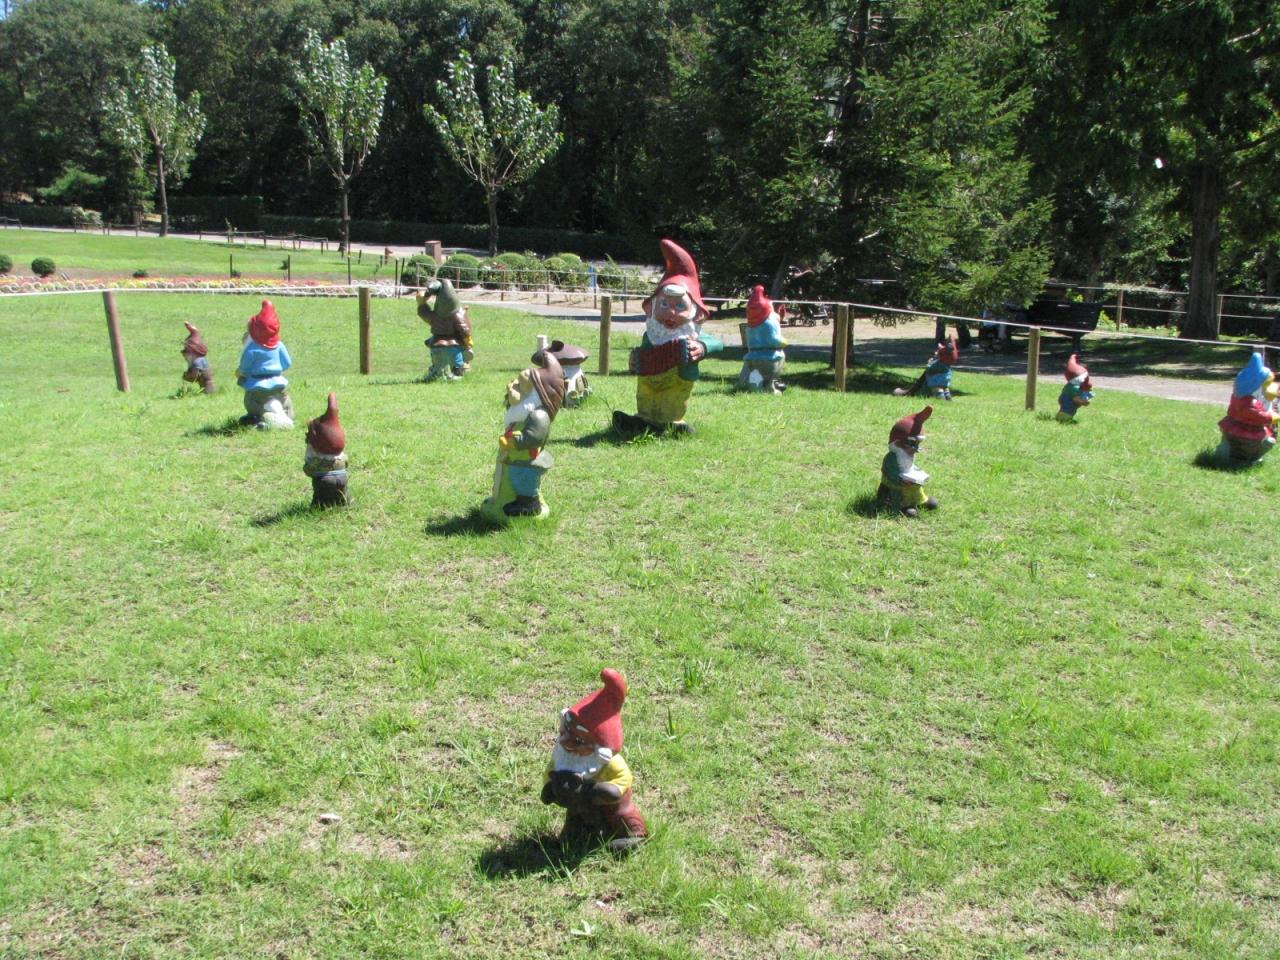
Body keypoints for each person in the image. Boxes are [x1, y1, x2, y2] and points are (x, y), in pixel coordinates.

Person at [612, 239, 723, 436]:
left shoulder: (691, 335)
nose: (671, 313)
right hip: (649, 379)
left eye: (680, 306)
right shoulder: (652, 335)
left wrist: (702, 347)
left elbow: (717, 343)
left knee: (671, 402)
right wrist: (634, 361)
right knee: (646, 399)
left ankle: (671, 424)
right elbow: (642, 353)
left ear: (696, 312)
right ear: (652, 307)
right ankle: (643, 421)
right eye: (664, 305)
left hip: (679, 377)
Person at [541, 668, 647, 852]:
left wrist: (609, 789)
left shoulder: (607, 761)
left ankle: (633, 834)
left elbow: (624, 778)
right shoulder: (564, 757)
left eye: (578, 740)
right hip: (578, 801)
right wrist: (549, 787)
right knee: (574, 816)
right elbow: (551, 771)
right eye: (565, 732)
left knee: (621, 813)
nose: (566, 742)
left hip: (607, 803)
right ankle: (572, 837)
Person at [482, 347, 565, 520]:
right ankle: (501, 500)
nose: (513, 386)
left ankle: (529, 505)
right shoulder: (522, 411)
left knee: (523, 481)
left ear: (536, 393)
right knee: (506, 478)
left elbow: (534, 437)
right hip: (513, 457)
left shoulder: (538, 415)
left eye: (519, 386)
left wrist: (514, 441)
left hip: (526, 460)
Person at [237, 300, 293, 429]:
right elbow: (287, 363)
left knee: (251, 401)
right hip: (279, 383)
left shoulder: (252, 349)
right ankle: (288, 415)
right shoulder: (279, 345)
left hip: (257, 384)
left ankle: (258, 416)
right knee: (285, 399)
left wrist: (244, 373)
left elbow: (245, 367)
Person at [877, 406, 938, 518]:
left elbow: (908, 465)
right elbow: (888, 471)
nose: (915, 449)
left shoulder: (906, 454)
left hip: (908, 482)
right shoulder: (892, 458)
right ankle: (902, 506)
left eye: (917, 445)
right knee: (902, 495)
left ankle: (919, 501)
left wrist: (916, 472)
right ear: (897, 443)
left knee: (918, 491)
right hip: (895, 487)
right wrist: (900, 480)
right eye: (912, 444)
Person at [1217, 352, 1278, 463]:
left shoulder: (1238, 396)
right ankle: (1251, 459)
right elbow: (1258, 415)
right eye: (1267, 384)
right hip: (1248, 431)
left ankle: (1229, 453)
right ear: (1256, 385)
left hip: (1232, 425)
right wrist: (1272, 417)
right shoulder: (1250, 402)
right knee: (1266, 442)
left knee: (1234, 443)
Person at [417, 279, 474, 381]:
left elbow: (425, 314)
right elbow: (464, 329)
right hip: (454, 346)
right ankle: (457, 373)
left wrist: (422, 304)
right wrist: (468, 340)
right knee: (457, 364)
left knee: (437, 363)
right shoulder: (458, 314)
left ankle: (436, 373)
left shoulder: (436, 315)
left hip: (436, 345)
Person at [738, 285, 787, 393]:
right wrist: (784, 342)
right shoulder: (770, 323)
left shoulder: (750, 326)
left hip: (751, 357)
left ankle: (755, 388)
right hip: (769, 357)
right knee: (778, 360)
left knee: (755, 373)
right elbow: (774, 340)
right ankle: (770, 387)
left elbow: (749, 342)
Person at [303, 392, 349, 507]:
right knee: (343, 493)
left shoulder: (315, 458)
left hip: (323, 478)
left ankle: (319, 507)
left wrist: (308, 468)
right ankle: (345, 503)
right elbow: (346, 463)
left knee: (321, 497)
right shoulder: (341, 457)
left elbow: (308, 470)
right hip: (342, 477)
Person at [1056, 354, 1094, 423]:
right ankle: (1063, 419)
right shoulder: (1074, 387)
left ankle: (1062, 418)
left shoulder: (1074, 385)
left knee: (1070, 410)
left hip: (1066, 398)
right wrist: (1084, 402)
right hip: (1067, 399)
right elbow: (1075, 398)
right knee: (1067, 410)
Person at [180, 321, 215, 394]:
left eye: (186, 350)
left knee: (207, 392)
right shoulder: (200, 360)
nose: (184, 353)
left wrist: (187, 376)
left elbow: (195, 375)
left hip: (207, 385)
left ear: (193, 351)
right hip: (204, 383)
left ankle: (208, 394)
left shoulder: (196, 362)